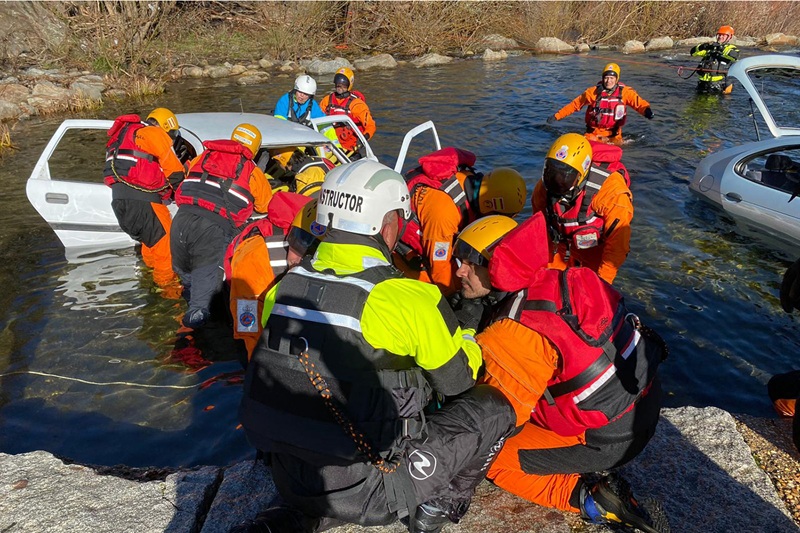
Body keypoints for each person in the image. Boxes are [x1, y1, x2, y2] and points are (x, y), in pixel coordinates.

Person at [236, 159, 515, 533]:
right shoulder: (408, 297)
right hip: (374, 489)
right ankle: (436, 507)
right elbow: (459, 382)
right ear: (386, 226)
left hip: (292, 478)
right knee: (494, 408)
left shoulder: (284, 288)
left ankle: (304, 515)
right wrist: (466, 330)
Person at [453, 212, 669, 533]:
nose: (460, 270)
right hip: (644, 404)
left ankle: (592, 499)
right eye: (459, 260)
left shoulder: (510, 332)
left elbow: (499, 424)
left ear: (497, 264)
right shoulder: (564, 276)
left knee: (492, 458)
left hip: (609, 439)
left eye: (471, 262)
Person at [171, 123, 273, 329]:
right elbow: (266, 206)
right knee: (204, 303)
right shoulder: (251, 171)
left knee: (189, 284)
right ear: (254, 149)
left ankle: (184, 322)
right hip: (212, 232)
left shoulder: (204, 157)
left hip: (180, 222)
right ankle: (193, 351)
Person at [394, 146, 527, 297]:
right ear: (490, 206)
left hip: (437, 239)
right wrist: (454, 299)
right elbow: (439, 269)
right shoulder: (443, 212)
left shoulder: (471, 182)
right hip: (409, 257)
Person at [224, 191, 323, 362]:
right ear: (289, 236)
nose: (298, 256)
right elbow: (249, 329)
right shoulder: (255, 258)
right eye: (296, 242)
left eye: (310, 248)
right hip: (247, 295)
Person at [531, 133, 633, 284]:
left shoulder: (612, 192)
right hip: (560, 247)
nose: (557, 181)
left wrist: (602, 282)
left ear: (582, 174)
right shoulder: (545, 187)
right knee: (543, 285)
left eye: (565, 176)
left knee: (588, 294)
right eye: (552, 172)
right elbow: (539, 225)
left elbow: (618, 245)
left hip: (594, 255)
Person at [103, 108, 186, 292]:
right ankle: (168, 297)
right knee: (166, 249)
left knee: (150, 245)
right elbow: (174, 170)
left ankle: (150, 285)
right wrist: (183, 196)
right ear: (167, 128)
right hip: (145, 203)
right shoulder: (153, 133)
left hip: (120, 204)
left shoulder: (123, 136)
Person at [548, 63, 653, 145]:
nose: (608, 81)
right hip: (593, 134)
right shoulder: (592, 92)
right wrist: (557, 116)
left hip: (614, 135)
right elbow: (574, 105)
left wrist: (646, 111)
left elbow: (639, 103)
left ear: (617, 79)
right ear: (603, 78)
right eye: (606, 78)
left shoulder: (625, 93)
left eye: (612, 78)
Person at [319, 67, 376, 157]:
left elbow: (370, 125)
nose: (340, 86)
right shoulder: (327, 100)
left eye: (343, 84)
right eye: (338, 83)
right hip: (328, 146)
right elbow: (317, 119)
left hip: (349, 149)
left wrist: (363, 140)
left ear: (349, 85)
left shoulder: (357, 104)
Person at [690, 26, 740, 94]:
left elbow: (734, 56)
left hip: (718, 85)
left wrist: (720, 48)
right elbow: (693, 53)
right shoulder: (711, 48)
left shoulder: (731, 48)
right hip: (702, 84)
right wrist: (701, 47)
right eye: (719, 35)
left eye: (723, 35)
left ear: (729, 37)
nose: (720, 37)